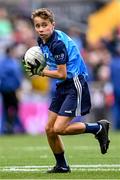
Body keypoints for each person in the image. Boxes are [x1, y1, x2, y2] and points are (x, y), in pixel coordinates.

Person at [23, 8, 110, 173]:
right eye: (37, 26)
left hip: (75, 83)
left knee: (59, 129)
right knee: (49, 129)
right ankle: (62, 165)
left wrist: (40, 71)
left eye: (44, 25)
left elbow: (62, 74)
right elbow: (54, 67)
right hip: (63, 85)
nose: (41, 29)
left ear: (52, 25)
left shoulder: (57, 44)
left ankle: (98, 128)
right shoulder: (42, 40)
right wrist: (35, 62)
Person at [0, 44, 24, 134]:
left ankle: (9, 126)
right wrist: (18, 87)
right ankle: (10, 126)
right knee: (13, 107)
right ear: (10, 52)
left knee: (9, 108)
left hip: (9, 88)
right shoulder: (9, 63)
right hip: (9, 89)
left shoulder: (9, 62)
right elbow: (16, 76)